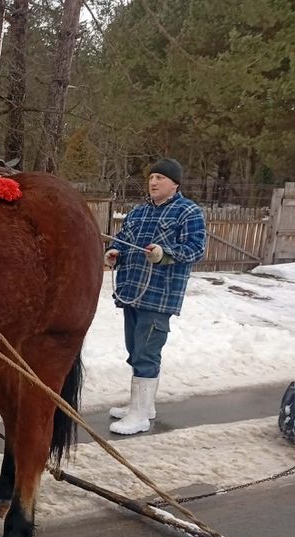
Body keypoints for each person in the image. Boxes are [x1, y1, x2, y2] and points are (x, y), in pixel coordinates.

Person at [104, 157, 206, 435]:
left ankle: (139, 416)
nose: (153, 182)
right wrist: (115, 253)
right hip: (131, 292)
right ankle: (143, 406)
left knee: (147, 353)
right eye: (151, 177)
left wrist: (166, 254)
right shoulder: (138, 212)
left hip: (160, 295)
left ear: (175, 183)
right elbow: (123, 238)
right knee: (134, 350)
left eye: (160, 178)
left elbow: (196, 249)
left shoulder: (188, 212)